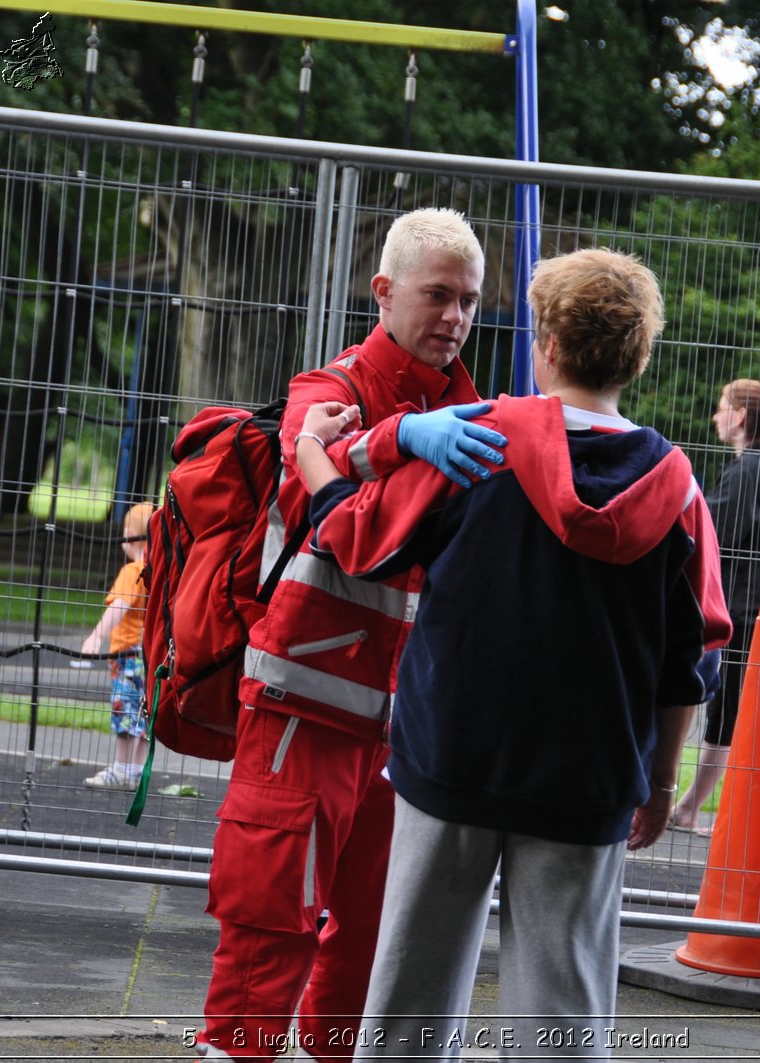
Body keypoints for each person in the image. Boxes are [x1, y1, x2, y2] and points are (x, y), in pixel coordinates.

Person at [291, 247, 733, 1059]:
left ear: (549, 348)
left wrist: (317, 457)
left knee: (411, 994)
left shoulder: (473, 444)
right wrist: (662, 781)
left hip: (452, 756)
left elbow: (354, 537)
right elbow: (688, 663)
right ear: (637, 355)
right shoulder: (678, 490)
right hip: (588, 775)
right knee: (562, 1003)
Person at [197, 207, 509, 1063]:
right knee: (270, 926)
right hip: (306, 713)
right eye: (438, 295)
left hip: (404, 736)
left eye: (470, 301)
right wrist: (398, 436)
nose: (455, 317)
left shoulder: (475, 414)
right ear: (383, 292)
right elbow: (321, 496)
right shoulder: (327, 392)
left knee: (374, 939)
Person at [670, 378, 760, 836]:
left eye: (722, 406)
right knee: (733, 709)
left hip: (744, 607)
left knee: (723, 707)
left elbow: (714, 534)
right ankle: (692, 807)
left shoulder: (749, 471)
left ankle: (686, 808)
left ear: (741, 417)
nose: (716, 416)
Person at [80, 501, 154, 790]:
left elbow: (119, 606)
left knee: (125, 711)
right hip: (148, 654)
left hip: (127, 655)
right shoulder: (159, 570)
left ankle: (122, 769)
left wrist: (97, 635)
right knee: (145, 712)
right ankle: (135, 771)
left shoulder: (132, 571)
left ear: (130, 536)